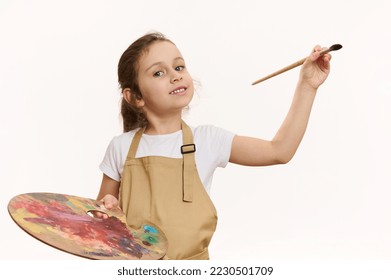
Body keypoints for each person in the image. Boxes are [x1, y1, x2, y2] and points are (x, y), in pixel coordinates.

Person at [96, 32, 332, 260]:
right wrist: (107, 210)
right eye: (158, 72)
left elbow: (280, 151)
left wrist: (307, 86)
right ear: (135, 97)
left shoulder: (208, 140)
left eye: (179, 67)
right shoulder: (121, 147)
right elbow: (99, 223)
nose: (176, 76)